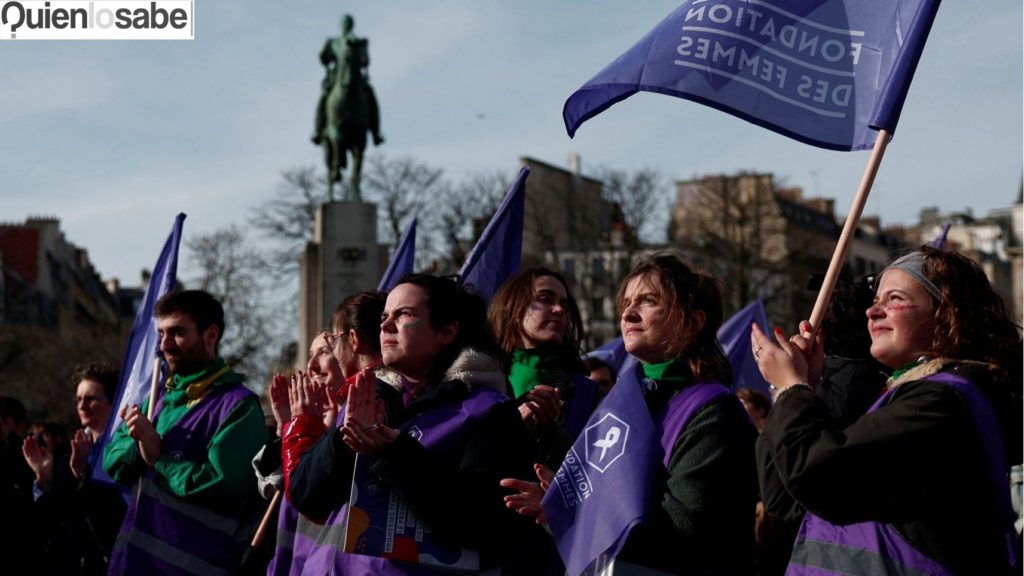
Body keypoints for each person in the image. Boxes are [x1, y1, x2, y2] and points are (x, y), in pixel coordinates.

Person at [753, 246, 1021, 575]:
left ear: (945, 315)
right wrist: (798, 390)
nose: (872, 311)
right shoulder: (907, 396)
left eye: (893, 299)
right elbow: (785, 499)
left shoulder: (942, 404)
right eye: (875, 299)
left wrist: (792, 387)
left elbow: (815, 473)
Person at [504, 251, 758, 574]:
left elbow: (680, 531)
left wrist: (573, 511)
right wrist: (555, 502)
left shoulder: (715, 413)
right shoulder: (619, 404)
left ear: (693, 322)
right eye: (626, 303)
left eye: (648, 301)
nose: (628, 315)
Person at [289, 274, 544, 574]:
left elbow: (484, 522)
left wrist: (396, 453)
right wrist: (340, 444)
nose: (384, 326)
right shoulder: (368, 398)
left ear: (447, 331)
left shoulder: (488, 411)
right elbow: (307, 497)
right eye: (384, 316)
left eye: (404, 314)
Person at [103, 290, 267, 575]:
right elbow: (112, 463)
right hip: (131, 566)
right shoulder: (156, 398)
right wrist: (136, 443)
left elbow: (225, 485)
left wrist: (159, 459)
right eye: (161, 333)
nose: (165, 344)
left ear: (210, 335)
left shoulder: (238, 406)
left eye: (177, 332)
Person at [262, 291, 386, 576]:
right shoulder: (346, 408)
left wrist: (304, 426)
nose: (311, 367)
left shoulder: (370, 404)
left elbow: (307, 493)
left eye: (327, 350)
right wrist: (287, 426)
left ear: (353, 342)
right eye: (310, 355)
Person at [488, 267, 598, 471]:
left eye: (564, 304)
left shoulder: (588, 393)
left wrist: (549, 433)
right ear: (513, 306)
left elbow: (595, 470)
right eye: (545, 299)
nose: (559, 310)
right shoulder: (479, 381)